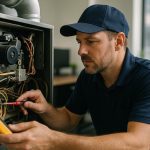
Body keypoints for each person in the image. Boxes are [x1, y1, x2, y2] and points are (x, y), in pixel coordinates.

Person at [0, 4, 150, 150]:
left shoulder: (146, 76)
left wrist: (53, 141)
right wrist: (46, 109)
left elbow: (140, 144)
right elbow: (69, 118)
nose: (81, 51)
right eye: (79, 42)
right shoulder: (88, 77)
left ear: (118, 41)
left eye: (91, 41)